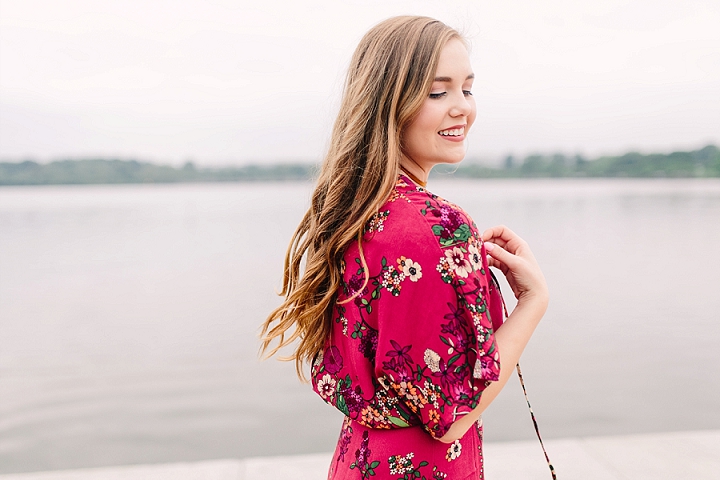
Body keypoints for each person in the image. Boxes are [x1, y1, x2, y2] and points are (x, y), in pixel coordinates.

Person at [261, 15, 548, 479]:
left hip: (359, 458)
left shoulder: (354, 212)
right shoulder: (430, 229)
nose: (462, 108)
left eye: (467, 89)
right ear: (388, 102)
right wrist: (533, 303)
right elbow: (450, 416)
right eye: (439, 92)